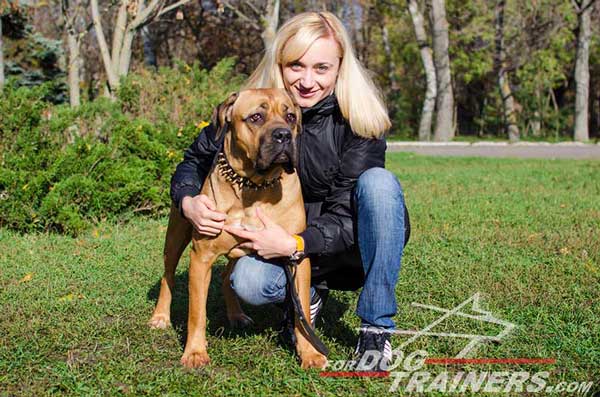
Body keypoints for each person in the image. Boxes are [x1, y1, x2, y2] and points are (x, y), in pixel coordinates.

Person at [170, 11, 410, 371]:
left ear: (340, 68)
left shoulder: (360, 121)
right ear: (279, 64)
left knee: (380, 184)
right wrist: (189, 201)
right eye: (296, 65)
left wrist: (295, 244)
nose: (307, 80)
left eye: (321, 68)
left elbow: (345, 217)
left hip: (347, 247)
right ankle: (305, 298)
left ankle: (376, 328)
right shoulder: (249, 103)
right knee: (248, 281)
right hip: (279, 243)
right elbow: (194, 160)